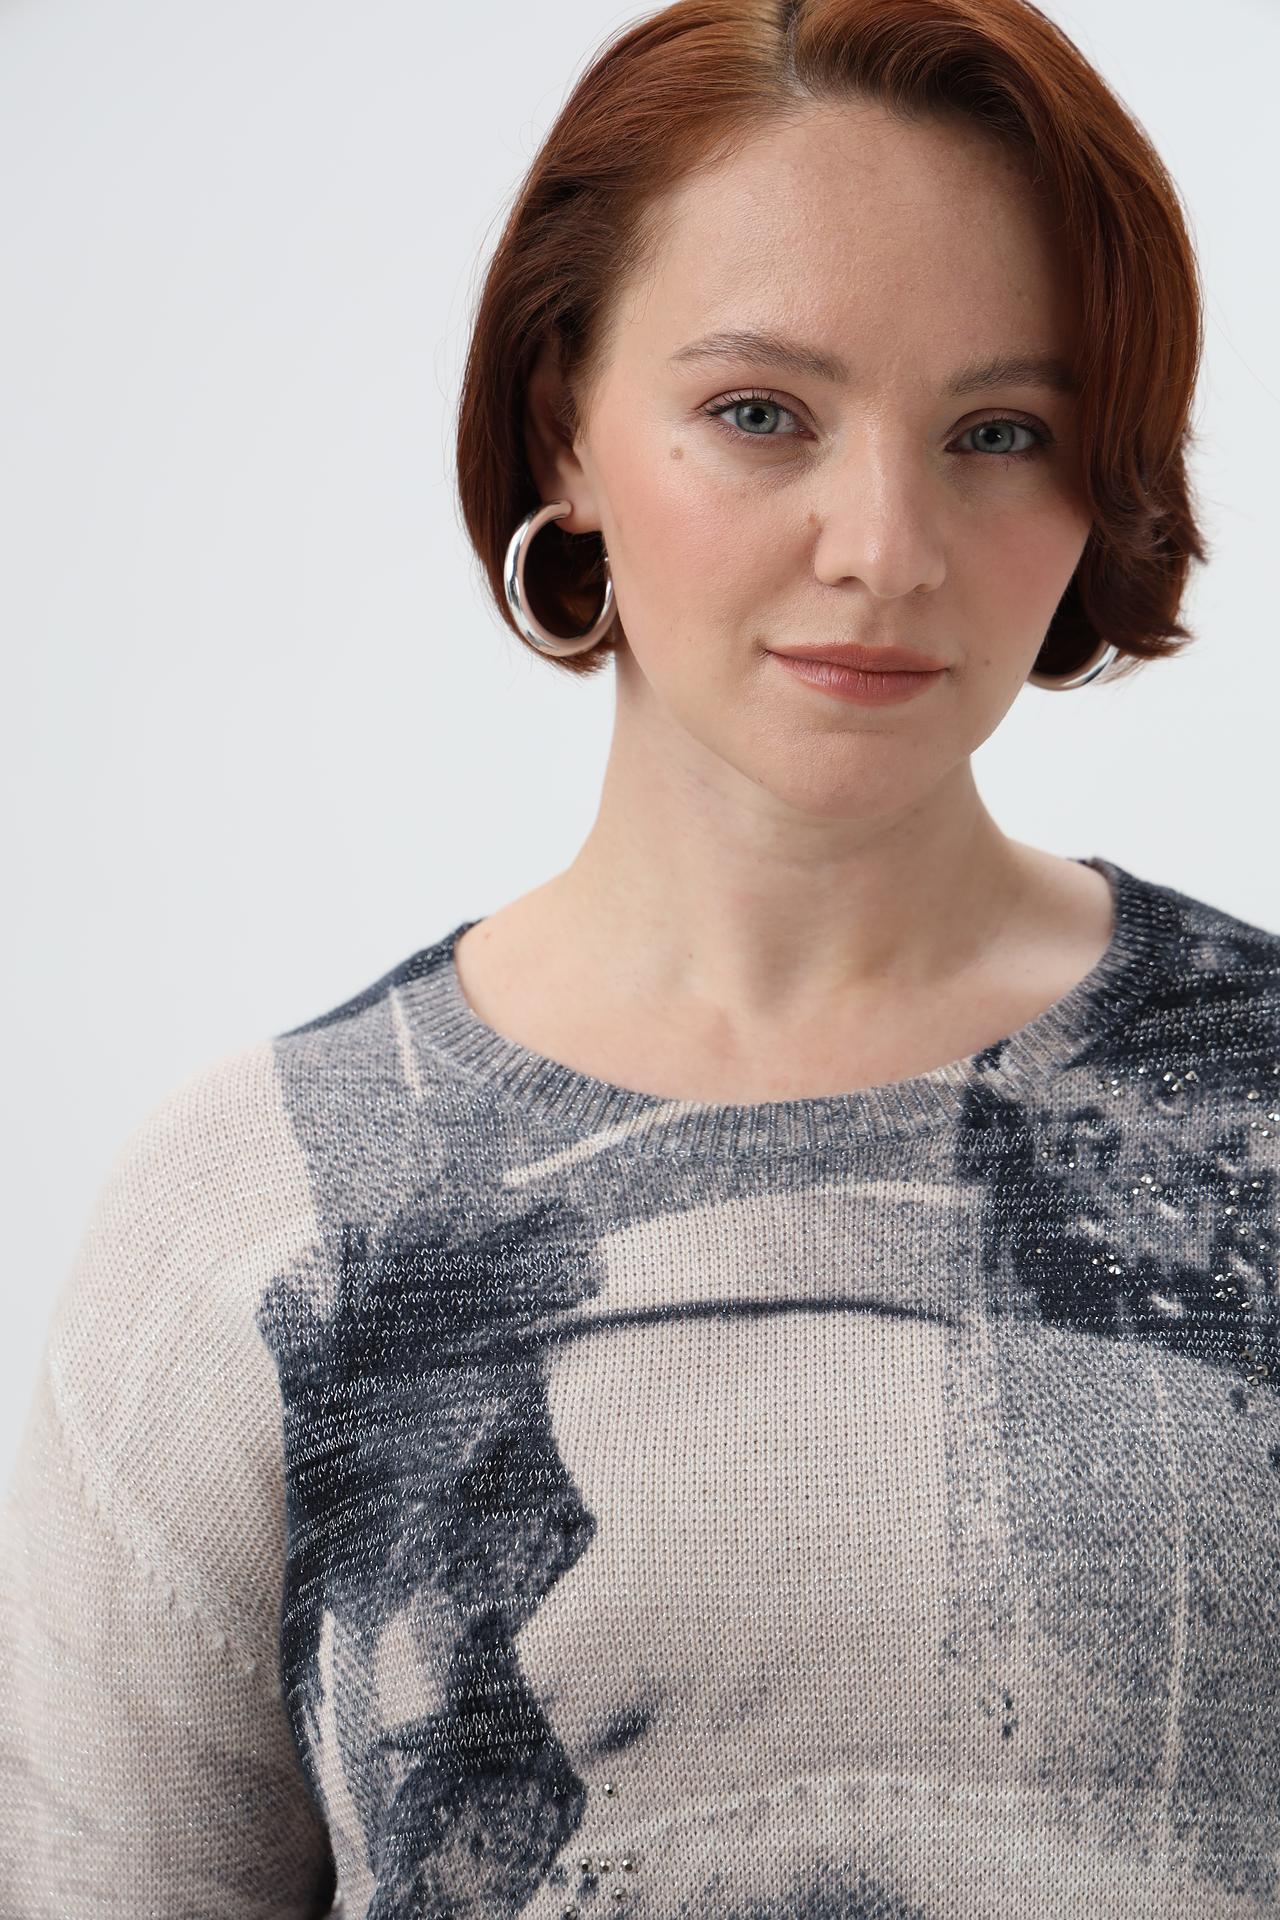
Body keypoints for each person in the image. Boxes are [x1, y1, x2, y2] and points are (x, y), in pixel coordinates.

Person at [4, 0, 1278, 1915]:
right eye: (761, 413)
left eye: (999, 433)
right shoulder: (257, 1217)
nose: (884, 545)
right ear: (565, 428)